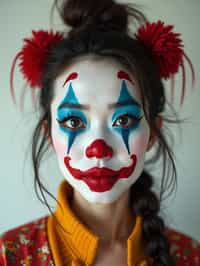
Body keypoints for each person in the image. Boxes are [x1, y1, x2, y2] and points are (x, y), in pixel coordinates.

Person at [0, 0, 199, 265]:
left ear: (152, 132)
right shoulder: (9, 255)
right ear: (49, 134)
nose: (98, 149)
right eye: (73, 122)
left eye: (125, 119)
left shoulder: (190, 256)